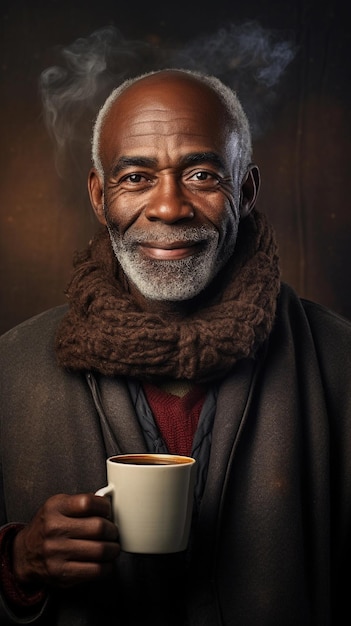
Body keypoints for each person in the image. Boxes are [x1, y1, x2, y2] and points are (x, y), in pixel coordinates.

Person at [0, 68, 350, 626]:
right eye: (136, 177)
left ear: (247, 190)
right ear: (98, 194)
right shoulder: (9, 369)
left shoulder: (339, 363)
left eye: (203, 175)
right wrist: (16, 564)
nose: (169, 208)